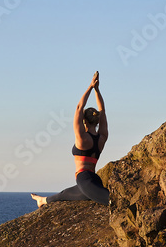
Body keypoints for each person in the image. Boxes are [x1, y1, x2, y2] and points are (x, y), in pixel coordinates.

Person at [31, 71, 110, 207]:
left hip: (84, 179)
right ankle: (42, 200)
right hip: (93, 179)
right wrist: (97, 91)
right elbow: (102, 110)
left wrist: (91, 87)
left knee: (113, 201)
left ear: (84, 121)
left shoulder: (82, 138)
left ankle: (43, 200)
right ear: (97, 121)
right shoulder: (102, 137)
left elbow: (79, 107)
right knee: (66, 194)